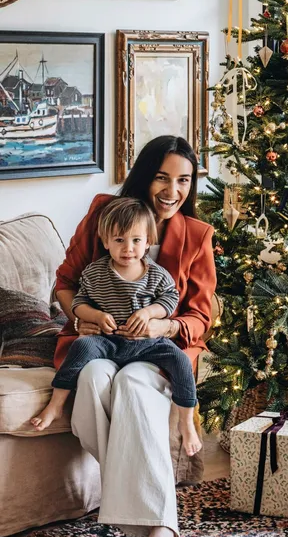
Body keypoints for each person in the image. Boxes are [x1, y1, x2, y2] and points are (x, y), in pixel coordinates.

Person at [52, 136, 216, 537]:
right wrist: (80, 317)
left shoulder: (197, 235)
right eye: (162, 178)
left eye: (183, 180)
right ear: (144, 177)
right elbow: (66, 282)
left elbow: (201, 316)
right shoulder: (104, 212)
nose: (172, 191)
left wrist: (164, 322)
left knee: (132, 387)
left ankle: (161, 524)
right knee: (91, 379)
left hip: (158, 348)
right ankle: (134, 508)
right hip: (101, 342)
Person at [33, 196, 202, 458]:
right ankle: (56, 404)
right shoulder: (94, 272)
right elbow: (79, 302)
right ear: (105, 241)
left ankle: (186, 422)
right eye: (119, 240)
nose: (128, 248)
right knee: (80, 347)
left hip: (147, 342)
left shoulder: (156, 274)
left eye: (136, 240)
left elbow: (170, 299)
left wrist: (149, 314)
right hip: (107, 341)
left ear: (148, 242)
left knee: (180, 361)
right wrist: (96, 316)